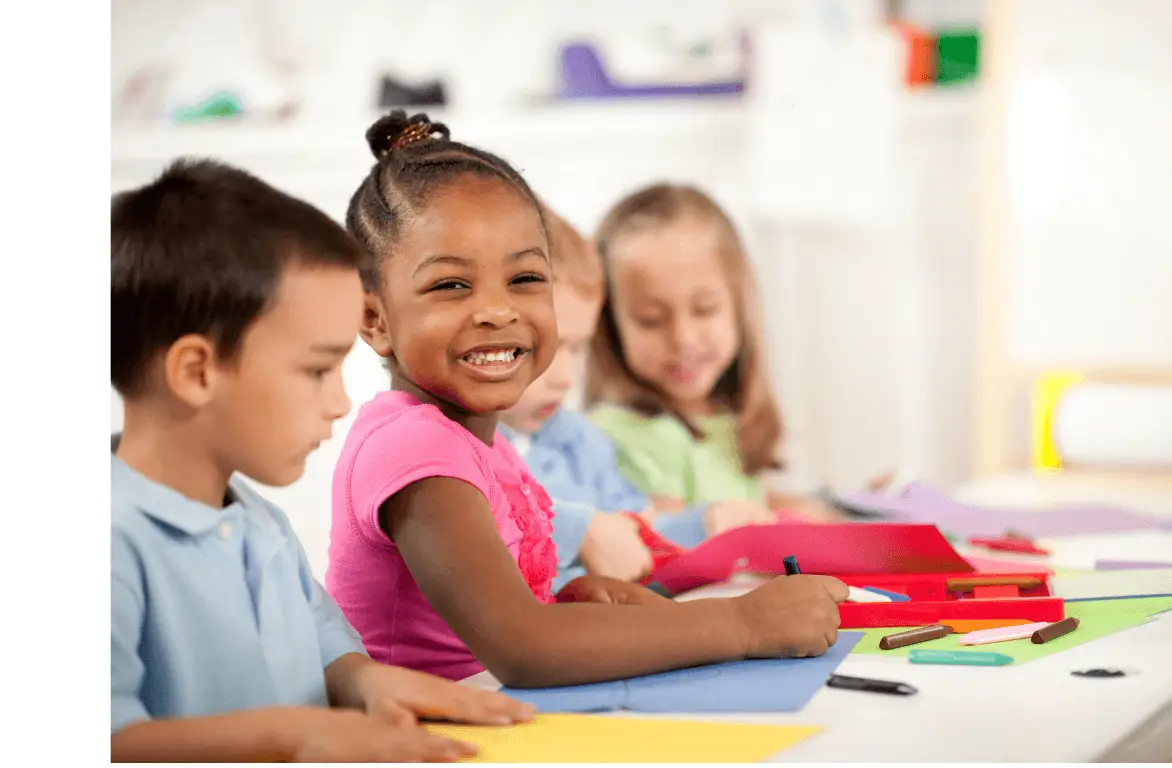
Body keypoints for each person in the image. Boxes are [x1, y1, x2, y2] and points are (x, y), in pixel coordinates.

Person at [327, 111, 847, 689]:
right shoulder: (412, 448)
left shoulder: (481, 442)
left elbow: (510, 621)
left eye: (525, 278)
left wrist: (571, 600)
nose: (499, 310)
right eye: (452, 285)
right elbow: (523, 648)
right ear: (374, 319)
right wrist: (742, 624)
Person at [111, 159, 531, 762]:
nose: (338, 404)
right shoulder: (109, 542)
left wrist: (366, 683)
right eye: (316, 371)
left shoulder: (259, 522)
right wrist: (294, 736)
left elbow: (326, 648)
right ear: (197, 371)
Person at [497, 209, 772, 588]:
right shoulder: (468, 449)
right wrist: (581, 532)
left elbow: (638, 525)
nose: (565, 378)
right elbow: (483, 525)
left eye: (576, 349)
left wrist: (707, 521)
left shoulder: (581, 442)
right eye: (533, 349)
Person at [586, 183, 844, 521]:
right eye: (650, 320)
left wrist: (816, 509)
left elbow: (741, 496)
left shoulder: (723, 420)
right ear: (612, 326)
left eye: (704, 309)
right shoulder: (617, 435)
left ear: (739, 305)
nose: (682, 338)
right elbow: (667, 534)